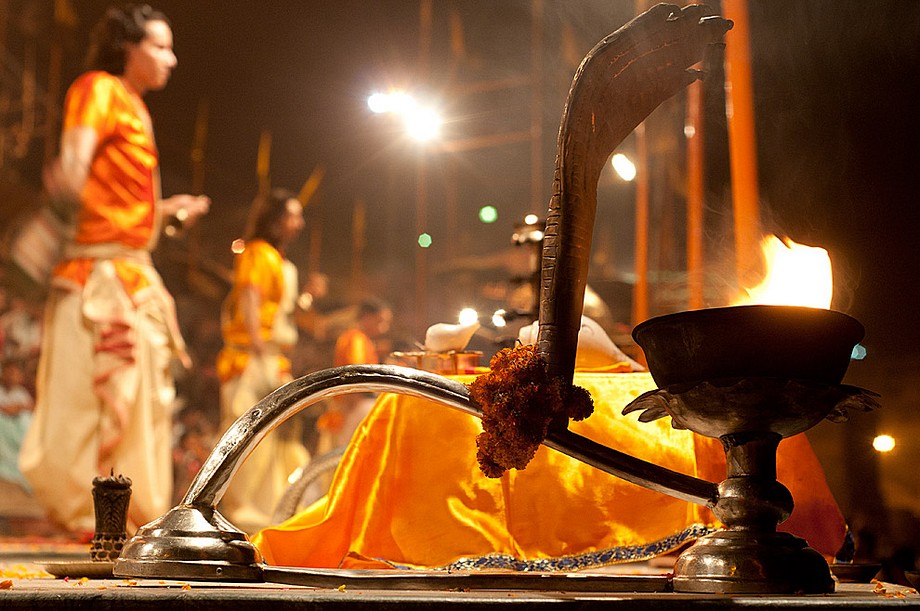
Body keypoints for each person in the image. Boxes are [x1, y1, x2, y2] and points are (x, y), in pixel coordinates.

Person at [18, 4, 210, 536]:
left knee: (143, 396)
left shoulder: (135, 105)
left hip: (132, 270)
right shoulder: (98, 88)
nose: (170, 58)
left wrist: (167, 212)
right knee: (92, 396)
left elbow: (117, 198)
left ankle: (124, 519)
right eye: (160, 46)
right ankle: (90, 517)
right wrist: (51, 218)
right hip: (97, 274)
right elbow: (77, 161)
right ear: (129, 47)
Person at [216, 188, 310, 533]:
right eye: (293, 215)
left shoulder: (277, 258)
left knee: (275, 441)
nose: (299, 223)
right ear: (275, 220)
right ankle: (243, 515)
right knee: (250, 436)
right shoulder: (257, 253)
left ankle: (271, 512)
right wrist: (257, 345)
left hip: (272, 358)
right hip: (253, 358)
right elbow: (250, 299)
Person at [314, 298, 393, 451]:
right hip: (350, 407)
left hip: (352, 406)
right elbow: (355, 377)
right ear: (367, 317)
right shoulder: (355, 339)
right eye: (380, 321)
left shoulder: (361, 339)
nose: (384, 328)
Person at [0, 359, 33, 491]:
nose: (10, 376)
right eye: (8, 373)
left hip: (17, 428)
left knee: (26, 419)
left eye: (13, 373)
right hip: (3, 425)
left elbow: (30, 407)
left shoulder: (22, 393)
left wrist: (18, 408)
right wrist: (9, 410)